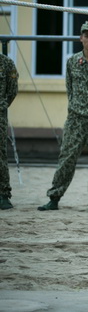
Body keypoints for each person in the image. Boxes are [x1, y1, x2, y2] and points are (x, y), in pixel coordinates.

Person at [38, 21, 88, 213]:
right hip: (75, 118)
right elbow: (70, 88)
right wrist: (76, 107)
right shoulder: (72, 61)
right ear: (81, 38)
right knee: (66, 158)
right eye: (87, 35)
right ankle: (54, 197)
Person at [0, 53, 19, 210]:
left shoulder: (6, 64)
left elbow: (12, 91)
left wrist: (2, 106)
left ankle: (3, 194)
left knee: (0, 154)